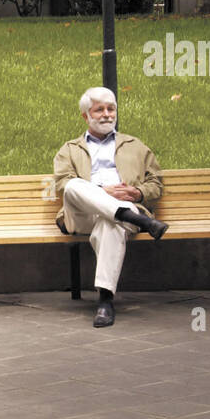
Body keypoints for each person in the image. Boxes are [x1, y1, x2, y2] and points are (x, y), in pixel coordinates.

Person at [52, 87, 168, 328]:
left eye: (111, 108)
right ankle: (142, 222)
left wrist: (137, 192)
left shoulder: (135, 146)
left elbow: (156, 184)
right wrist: (102, 192)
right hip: (82, 215)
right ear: (86, 115)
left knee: (110, 222)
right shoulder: (70, 149)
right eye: (99, 109)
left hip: (124, 210)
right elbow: (63, 186)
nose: (107, 114)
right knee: (74, 185)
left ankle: (105, 301)